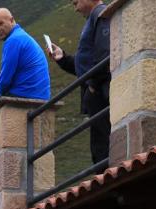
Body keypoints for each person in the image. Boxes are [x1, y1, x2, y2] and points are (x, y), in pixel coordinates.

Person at [49, 0, 110, 165]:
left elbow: (105, 56)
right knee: (99, 147)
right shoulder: (94, 18)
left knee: (103, 148)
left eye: (76, 3)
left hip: (101, 95)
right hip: (97, 95)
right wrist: (64, 59)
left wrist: (93, 85)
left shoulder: (101, 15)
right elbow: (85, 65)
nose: (75, 8)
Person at [0, 8, 51, 100]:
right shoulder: (21, 35)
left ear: (11, 20)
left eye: (0, 24)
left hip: (27, 96)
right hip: (42, 96)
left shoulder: (13, 40)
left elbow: (5, 78)